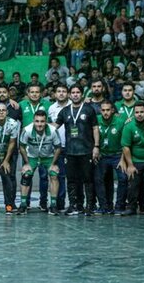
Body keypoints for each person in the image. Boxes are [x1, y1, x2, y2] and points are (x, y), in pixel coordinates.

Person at [54, 84, 99, 216]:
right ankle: (74, 205)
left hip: (86, 150)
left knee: (88, 180)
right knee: (72, 180)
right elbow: (54, 126)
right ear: (69, 95)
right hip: (70, 152)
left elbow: (95, 128)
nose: (75, 94)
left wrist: (96, 146)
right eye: (72, 92)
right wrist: (38, 125)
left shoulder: (89, 109)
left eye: (77, 92)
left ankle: (90, 205)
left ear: (82, 94)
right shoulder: (65, 111)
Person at [18, 110, 62, 215]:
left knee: (54, 174)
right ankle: (23, 205)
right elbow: (22, 147)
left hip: (48, 157)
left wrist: (53, 164)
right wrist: (26, 163)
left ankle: (53, 206)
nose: (39, 124)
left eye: (42, 121)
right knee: (26, 175)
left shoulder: (52, 130)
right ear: (33, 121)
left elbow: (58, 148)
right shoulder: (27, 130)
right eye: (37, 121)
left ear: (46, 121)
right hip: (32, 157)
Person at [18, 83, 51, 211]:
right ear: (28, 93)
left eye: (37, 92)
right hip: (28, 145)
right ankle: (25, 203)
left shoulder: (48, 105)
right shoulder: (21, 105)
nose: (34, 94)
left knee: (44, 176)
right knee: (27, 175)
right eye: (32, 92)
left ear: (41, 93)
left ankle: (43, 202)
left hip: (45, 145)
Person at [94, 100, 128, 214]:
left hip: (118, 155)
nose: (105, 112)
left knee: (123, 179)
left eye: (108, 110)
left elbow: (126, 142)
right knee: (99, 180)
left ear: (113, 110)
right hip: (102, 155)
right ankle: (104, 206)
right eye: (103, 110)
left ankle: (119, 206)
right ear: (100, 111)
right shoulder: (96, 120)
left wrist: (123, 159)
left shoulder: (121, 121)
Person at [47, 84, 70, 210]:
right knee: (58, 175)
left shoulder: (73, 105)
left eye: (64, 91)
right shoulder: (51, 108)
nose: (61, 93)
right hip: (57, 147)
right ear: (55, 94)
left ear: (68, 93)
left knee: (73, 176)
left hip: (72, 146)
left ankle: (74, 204)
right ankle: (59, 204)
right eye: (59, 91)